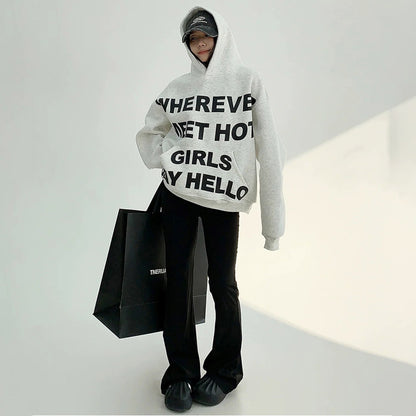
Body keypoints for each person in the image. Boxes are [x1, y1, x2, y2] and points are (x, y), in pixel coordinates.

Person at [135, 5, 286, 412]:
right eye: (193, 39)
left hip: (223, 199)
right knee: (178, 282)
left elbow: (269, 149)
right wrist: (168, 157)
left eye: (206, 37)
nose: (200, 44)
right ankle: (180, 373)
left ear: (222, 38)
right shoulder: (178, 87)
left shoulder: (248, 81)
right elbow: (149, 132)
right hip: (179, 196)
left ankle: (224, 371)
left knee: (223, 283)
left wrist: (273, 226)